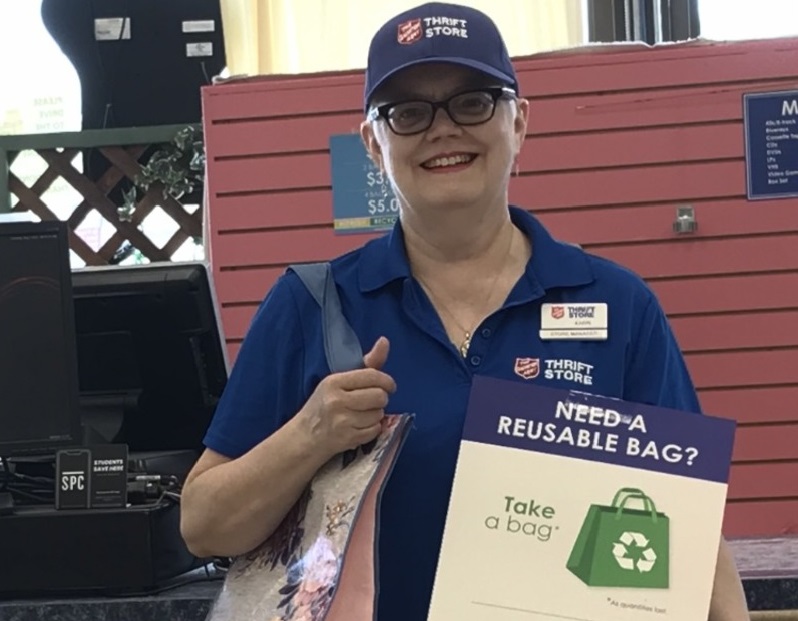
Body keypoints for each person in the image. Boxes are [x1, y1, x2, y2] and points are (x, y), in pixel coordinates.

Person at [180, 3, 749, 619]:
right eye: (408, 112)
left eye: (473, 101)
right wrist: (311, 434)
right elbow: (205, 526)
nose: (443, 129)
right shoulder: (311, 306)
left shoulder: (617, 304)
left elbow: (690, 529)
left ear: (519, 122)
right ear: (374, 142)